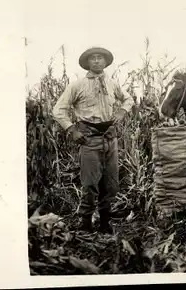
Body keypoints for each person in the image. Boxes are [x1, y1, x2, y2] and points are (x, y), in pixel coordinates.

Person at [52, 46, 135, 234]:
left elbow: (128, 99)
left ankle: (105, 222)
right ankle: (85, 222)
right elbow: (58, 110)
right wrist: (72, 129)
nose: (97, 61)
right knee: (90, 184)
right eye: (93, 58)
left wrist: (122, 112)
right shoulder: (77, 85)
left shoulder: (113, 84)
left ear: (105, 62)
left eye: (100, 58)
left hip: (110, 138)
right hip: (88, 138)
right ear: (87, 63)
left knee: (111, 183)